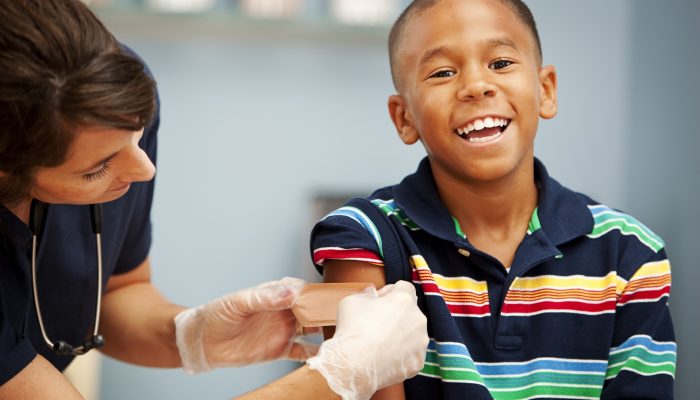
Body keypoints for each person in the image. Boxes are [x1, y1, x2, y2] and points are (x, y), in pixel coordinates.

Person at [0, 1, 429, 399]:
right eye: (97, 168)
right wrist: (336, 376)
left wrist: (190, 335)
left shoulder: (113, 100)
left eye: (137, 134)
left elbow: (114, 293)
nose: (143, 168)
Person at [310, 0, 677, 399]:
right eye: (443, 72)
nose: (476, 86)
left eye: (500, 63)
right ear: (404, 118)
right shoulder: (365, 238)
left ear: (546, 90)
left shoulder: (630, 252)